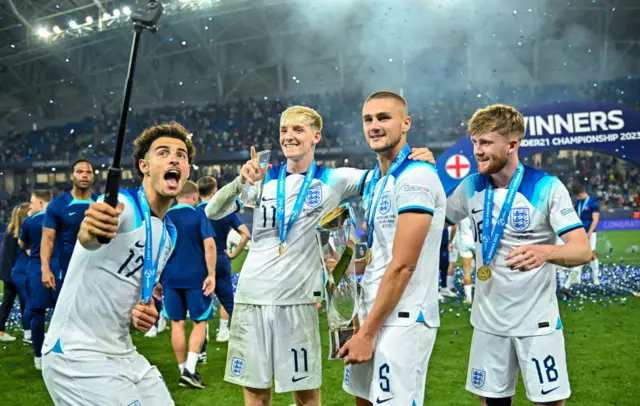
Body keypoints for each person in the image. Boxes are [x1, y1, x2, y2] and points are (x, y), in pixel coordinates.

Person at [204, 105, 434, 406]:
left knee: (307, 397)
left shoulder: (335, 180)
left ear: (316, 136)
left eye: (298, 130)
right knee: (256, 396)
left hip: (298, 303)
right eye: (284, 131)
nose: (289, 136)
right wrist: (240, 182)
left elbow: (388, 177)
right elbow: (212, 211)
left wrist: (419, 161)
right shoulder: (263, 179)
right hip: (251, 298)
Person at [445, 104, 592, 406]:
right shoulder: (470, 186)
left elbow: (582, 250)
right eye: (474, 142)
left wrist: (546, 251)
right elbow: (429, 222)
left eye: (485, 142)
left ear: (512, 144)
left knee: (549, 403)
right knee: (492, 403)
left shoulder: (545, 187)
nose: (477, 151)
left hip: (536, 324)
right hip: (488, 324)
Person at [41, 122, 194, 405]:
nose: (174, 158)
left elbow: (134, 289)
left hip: (123, 352)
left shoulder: (169, 235)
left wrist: (142, 311)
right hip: (76, 353)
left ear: (186, 171)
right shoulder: (123, 204)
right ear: (143, 166)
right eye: (163, 152)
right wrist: (94, 228)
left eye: (181, 155)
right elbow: (92, 235)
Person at [337, 91, 445, 406]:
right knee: (363, 400)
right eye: (368, 119)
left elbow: (403, 265)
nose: (374, 125)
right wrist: (344, 268)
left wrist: (368, 333)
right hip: (371, 313)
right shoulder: (376, 182)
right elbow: (380, 256)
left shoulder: (416, 177)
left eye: (384, 117)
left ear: (406, 123)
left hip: (403, 319)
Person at [161, 180, 216, 389]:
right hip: (196, 277)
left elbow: (158, 249)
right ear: (195, 197)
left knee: (177, 323)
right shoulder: (198, 214)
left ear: (177, 196)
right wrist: (211, 273)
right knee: (199, 322)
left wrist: (157, 279)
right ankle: (190, 370)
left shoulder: (166, 216)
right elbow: (209, 244)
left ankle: (182, 369)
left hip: (171, 277)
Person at [197, 175, 250, 347]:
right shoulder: (225, 211)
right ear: (215, 191)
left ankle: (201, 347)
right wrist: (234, 254)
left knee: (201, 302)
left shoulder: (195, 212)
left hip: (201, 260)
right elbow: (246, 234)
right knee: (228, 301)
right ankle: (232, 335)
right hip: (221, 257)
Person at [41, 159, 97, 297]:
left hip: (98, 272)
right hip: (68, 271)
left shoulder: (100, 202)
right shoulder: (58, 204)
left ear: (93, 177)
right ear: (72, 176)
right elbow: (47, 239)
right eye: (79, 172)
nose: (84, 175)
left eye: (88, 172)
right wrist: (45, 268)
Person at [19, 190, 56, 369]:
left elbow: (22, 243)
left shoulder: (29, 221)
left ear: (41, 203)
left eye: (32, 202)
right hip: (59, 268)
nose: (30, 206)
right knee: (62, 312)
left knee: (37, 312)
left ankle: (39, 356)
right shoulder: (60, 218)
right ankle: (63, 351)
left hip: (36, 268)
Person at [0, 204, 28, 342]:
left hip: (7, 272)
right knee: (24, 302)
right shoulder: (18, 233)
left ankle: (1, 331)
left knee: (8, 302)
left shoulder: (10, 230)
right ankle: (28, 332)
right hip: (14, 273)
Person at [573, 186, 600, 285]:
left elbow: (595, 219)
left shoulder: (593, 202)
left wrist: (589, 233)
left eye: (579, 196)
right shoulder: (578, 203)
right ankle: (577, 278)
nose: (578, 198)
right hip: (580, 231)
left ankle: (595, 278)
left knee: (591, 253)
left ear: (583, 192)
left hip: (590, 232)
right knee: (579, 253)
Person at [445, 217, 476, 303]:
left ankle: (469, 298)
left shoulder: (462, 213)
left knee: (467, 272)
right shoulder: (477, 211)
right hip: (476, 242)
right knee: (481, 269)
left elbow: (454, 226)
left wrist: (451, 241)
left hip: (464, 242)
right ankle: (482, 293)